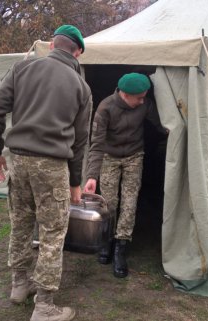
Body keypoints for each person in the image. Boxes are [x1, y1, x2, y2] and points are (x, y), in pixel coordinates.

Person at [0, 25, 91, 321]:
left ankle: (20, 285)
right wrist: (75, 183)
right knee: (53, 233)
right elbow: (80, 140)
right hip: (52, 165)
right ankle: (44, 306)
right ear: (77, 51)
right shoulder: (81, 87)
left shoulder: (21, 69)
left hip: (17, 160)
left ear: (53, 45)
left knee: (20, 223)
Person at [84, 73, 167, 278]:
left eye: (144, 97)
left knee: (129, 203)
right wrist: (92, 176)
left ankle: (122, 246)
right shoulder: (105, 108)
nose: (142, 101)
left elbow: (161, 124)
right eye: (138, 97)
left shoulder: (145, 105)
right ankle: (107, 241)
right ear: (125, 94)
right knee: (110, 203)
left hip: (134, 157)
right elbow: (96, 145)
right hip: (109, 157)